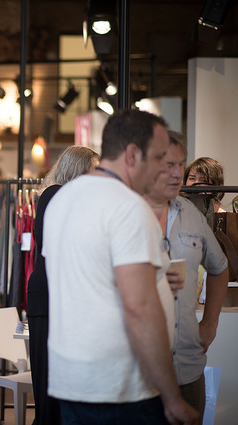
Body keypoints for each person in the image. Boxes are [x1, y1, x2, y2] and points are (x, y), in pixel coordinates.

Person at [43, 109, 198, 425]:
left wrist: (153, 280)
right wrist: (172, 397)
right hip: (120, 387)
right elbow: (139, 308)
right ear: (132, 155)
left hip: (74, 379)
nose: (160, 170)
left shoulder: (63, 198)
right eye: (157, 159)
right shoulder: (128, 207)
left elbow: (89, 278)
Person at [144, 131, 228, 422]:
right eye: (168, 164)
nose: (176, 173)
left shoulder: (191, 214)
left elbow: (219, 266)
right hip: (140, 370)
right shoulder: (127, 211)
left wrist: (211, 323)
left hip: (188, 365)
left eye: (181, 165)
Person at [26, 146, 100, 425]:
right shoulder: (54, 195)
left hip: (60, 299)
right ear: (78, 170)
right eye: (94, 170)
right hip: (50, 299)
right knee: (49, 384)